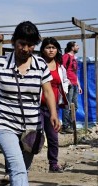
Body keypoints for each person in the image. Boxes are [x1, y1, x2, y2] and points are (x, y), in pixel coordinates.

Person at [0, 21, 60, 186]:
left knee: (23, 169)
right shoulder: (0, 64)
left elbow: (48, 91)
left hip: (32, 126)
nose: (25, 48)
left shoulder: (40, 65)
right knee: (17, 166)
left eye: (30, 45)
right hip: (4, 122)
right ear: (13, 41)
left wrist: (53, 113)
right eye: (22, 43)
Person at [40, 37, 70, 173]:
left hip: (53, 108)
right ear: (43, 50)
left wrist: (64, 91)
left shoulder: (60, 67)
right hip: (36, 106)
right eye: (48, 47)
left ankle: (53, 164)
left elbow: (65, 81)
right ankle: (23, 164)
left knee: (53, 136)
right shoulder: (38, 65)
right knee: (32, 135)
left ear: (57, 49)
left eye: (53, 47)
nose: (51, 50)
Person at [62, 41, 82, 133]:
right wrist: (67, 80)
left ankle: (70, 124)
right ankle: (65, 126)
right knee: (67, 105)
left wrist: (79, 85)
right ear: (72, 47)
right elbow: (62, 69)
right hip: (69, 85)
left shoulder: (74, 58)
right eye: (76, 45)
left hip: (74, 84)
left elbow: (75, 73)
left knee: (75, 106)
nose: (78, 47)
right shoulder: (66, 56)